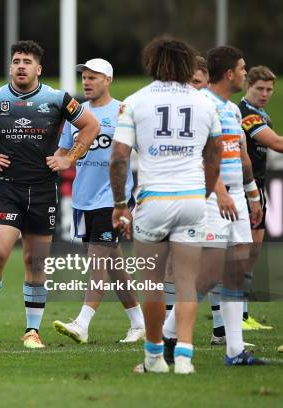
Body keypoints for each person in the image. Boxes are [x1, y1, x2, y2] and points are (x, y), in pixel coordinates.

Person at [0, 40, 100, 349]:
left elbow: (90, 126)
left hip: (42, 190)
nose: (21, 65)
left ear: (39, 69)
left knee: (35, 263)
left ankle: (32, 331)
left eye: (27, 61)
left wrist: (68, 158)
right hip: (6, 188)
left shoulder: (56, 98)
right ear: (11, 67)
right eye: (16, 60)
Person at [110, 37, 222, 374]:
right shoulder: (205, 103)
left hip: (154, 201)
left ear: (152, 63)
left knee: (152, 284)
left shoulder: (135, 101)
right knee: (187, 281)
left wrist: (119, 204)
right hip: (191, 198)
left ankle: (154, 357)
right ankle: (185, 357)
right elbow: (215, 154)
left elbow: (118, 157)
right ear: (189, 65)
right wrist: (201, 195)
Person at [162, 46, 269, 366]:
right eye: (242, 68)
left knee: (238, 272)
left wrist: (251, 194)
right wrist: (220, 191)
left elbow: (241, 155)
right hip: (211, 197)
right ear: (228, 74)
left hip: (236, 196)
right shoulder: (200, 105)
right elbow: (200, 156)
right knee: (208, 274)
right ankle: (168, 333)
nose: (244, 73)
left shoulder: (232, 110)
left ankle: (235, 351)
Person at [52, 58, 145, 344]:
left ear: (108, 80)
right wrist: (53, 161)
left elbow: (145, 153)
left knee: (97, 263)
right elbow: (64, 152)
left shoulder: (122, 112)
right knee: (115, 267)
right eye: (84, 77)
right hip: (83, 200)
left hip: (112, 200)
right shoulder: (76, 116)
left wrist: (138, 198)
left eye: (93, 77)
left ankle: (83, 322)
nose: (87, 82)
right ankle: (139, 322)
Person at [163, 55, 229, 346]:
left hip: (207, 195)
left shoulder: (212, 112)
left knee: (213, 264)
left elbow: (216, 158)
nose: (195, 89)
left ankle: (219, 330)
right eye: (190, 83)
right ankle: (169, 332)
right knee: (175, 263)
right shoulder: (172, 113)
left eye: (200, 83)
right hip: (176, 194)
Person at [238, 65, 281, 331]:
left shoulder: (262, 115)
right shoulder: (246, 115)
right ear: (248, 87)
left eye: (269, 90)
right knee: (241, 255)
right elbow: (276, 144)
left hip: (258, 190)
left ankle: (241, 315)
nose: (264, 94)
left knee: (250, 254)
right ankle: (236, 316)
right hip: (244, 190)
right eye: (259, 89)